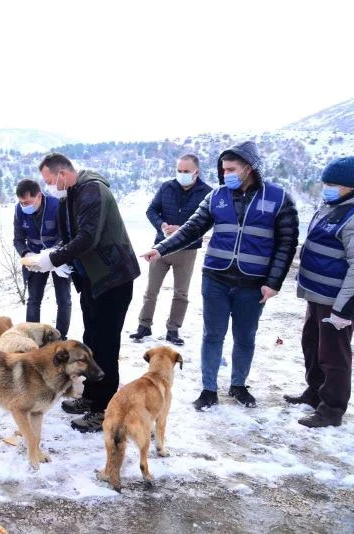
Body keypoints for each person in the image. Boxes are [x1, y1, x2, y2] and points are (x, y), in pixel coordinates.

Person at [141, 141, 299, 411]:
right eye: (223, 169)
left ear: (248, 168)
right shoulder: (217, 197)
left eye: (231, 169)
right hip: (216, 279)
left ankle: (238, 385)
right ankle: (208, 389)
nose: (226, 174)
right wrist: (160, 249)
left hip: (253, 284)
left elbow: (287, 243)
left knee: (245, 337)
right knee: (212, 335)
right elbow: (191, 229)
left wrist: (273, 282)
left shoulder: (278, 198)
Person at [25, 153, 140, 433]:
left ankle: (105, 409)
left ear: (62, 174)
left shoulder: (92, 190)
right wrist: (60, 257)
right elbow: (71, 237)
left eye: (50, 181)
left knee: (106, 344)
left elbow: (89, 237)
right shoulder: (70, 195)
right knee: (91, 341)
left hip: (113, 277)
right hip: (91, 279)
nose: (49, 187)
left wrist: (54, 260)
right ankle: (92, 396)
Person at [288, 156, 354, 427]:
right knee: (312, 346)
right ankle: (314, 392)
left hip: (336, 301)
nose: (327, 187)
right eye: (326, 182)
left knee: (334, 355)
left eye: (334, 184)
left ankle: (332, 409)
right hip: (316, 296)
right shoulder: (329, 208)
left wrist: (343, 308)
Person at [130, 154, 213, 345]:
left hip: (187, 250)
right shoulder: (167, 187)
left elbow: (206, 223)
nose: (182, 174)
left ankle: (173, 329)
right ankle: (144, 325)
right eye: (179, 171)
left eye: (186, 171)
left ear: (196, 172)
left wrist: (181, 229)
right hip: (160, 247)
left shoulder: (207, 193)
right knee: (151, 289)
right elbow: (151, 210)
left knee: (181, 293)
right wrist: (161, 225)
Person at [13, 178, 72, 338]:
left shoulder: (57, 205)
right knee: (33, 300)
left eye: (28, 202)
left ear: (39, 196)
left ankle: (61, 337)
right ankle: (32, 337)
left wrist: (53, 255)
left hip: (58, 256)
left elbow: (66, 235)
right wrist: (26, 254)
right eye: (21, 202)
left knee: (63, 299)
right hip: (35, 257)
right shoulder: (19, 211)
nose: (24, 206)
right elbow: (17, 239)